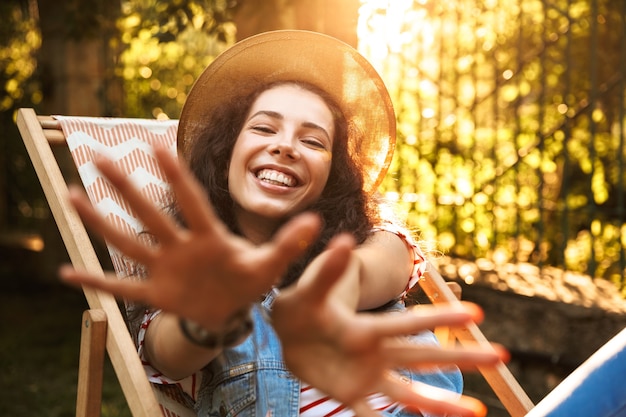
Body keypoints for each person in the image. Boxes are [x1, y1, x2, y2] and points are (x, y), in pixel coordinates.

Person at [59, 30, 505, 417]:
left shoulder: (369, 241)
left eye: (312, 140)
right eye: (264, 129)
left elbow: (383, 261)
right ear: (226, 151)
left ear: (332, 174)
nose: (286, 147)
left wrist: (335, 287)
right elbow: (169, 353)